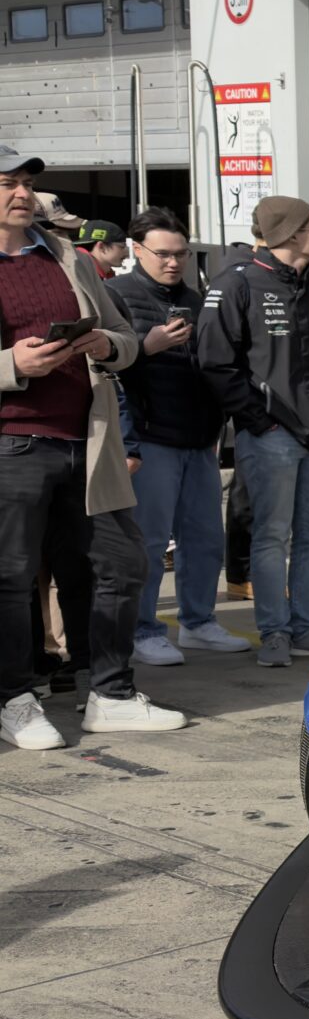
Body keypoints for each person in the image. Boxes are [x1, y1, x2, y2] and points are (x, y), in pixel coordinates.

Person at [0, 147, 186, 747]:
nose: (23, 194)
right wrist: (12, 364)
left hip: (88, 441)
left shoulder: (68, 258)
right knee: (11, 578)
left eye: (27, 184)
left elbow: (126, 337)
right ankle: (14, 700)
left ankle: (110, 693)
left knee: (120, 564)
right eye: (8, 183)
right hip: (11, 446)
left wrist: (107, 345)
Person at [197, 196, 309, 668]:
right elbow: (215, 362)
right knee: (270, 536)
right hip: (271, 436)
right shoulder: (237, 284)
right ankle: (274, 633)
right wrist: (259, 420)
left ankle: (305, 629)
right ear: (290, 234)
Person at [108, 207, 251, 667]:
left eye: (181, 254)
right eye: (163, 254)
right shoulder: (116, 295)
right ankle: (142, 629)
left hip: (199, 438)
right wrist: (145, 347)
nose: (173, 262)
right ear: (136, 250)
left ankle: (198, 621)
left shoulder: (197, 298)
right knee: (149, 543)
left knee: (205, 539)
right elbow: (103, 368)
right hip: (150, 439)